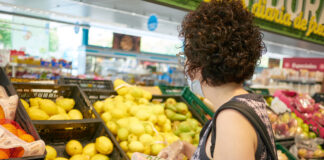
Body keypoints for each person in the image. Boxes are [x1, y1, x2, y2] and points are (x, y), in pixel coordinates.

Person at [158, 0, 276, 160]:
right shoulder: (248, 103)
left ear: (202, 60)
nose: (186, 62)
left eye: (188, 54)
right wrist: (184, 147)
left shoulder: (232, 120)